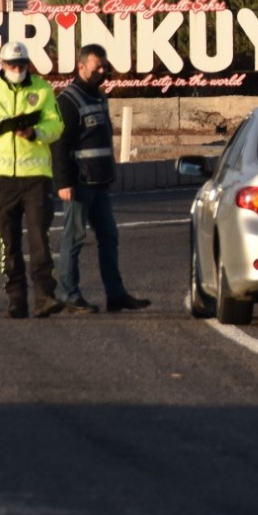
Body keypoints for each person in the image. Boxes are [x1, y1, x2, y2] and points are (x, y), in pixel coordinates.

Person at [0, 41, 66, 319]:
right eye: (12, 65)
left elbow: (56, 125)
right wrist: (4, 125)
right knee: (8, 241)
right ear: (2, 64)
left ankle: (45, 296)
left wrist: (35, 132)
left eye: (22, 64)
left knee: (40, 238)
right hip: (1, 178)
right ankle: (16, 298)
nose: (17, 69)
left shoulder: (41, 88)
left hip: (35, 176)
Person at [53, 43, 150, 314]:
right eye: (98, 68)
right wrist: (63, 182)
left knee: (109, 236)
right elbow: (60, 145)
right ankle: (69, 294)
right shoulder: (69, 100)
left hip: (99, 182)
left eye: (105, 67)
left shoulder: (99, 97)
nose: (103, 72)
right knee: (74, 239)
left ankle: (116, 295)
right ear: (81, 66)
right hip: (79, 183)